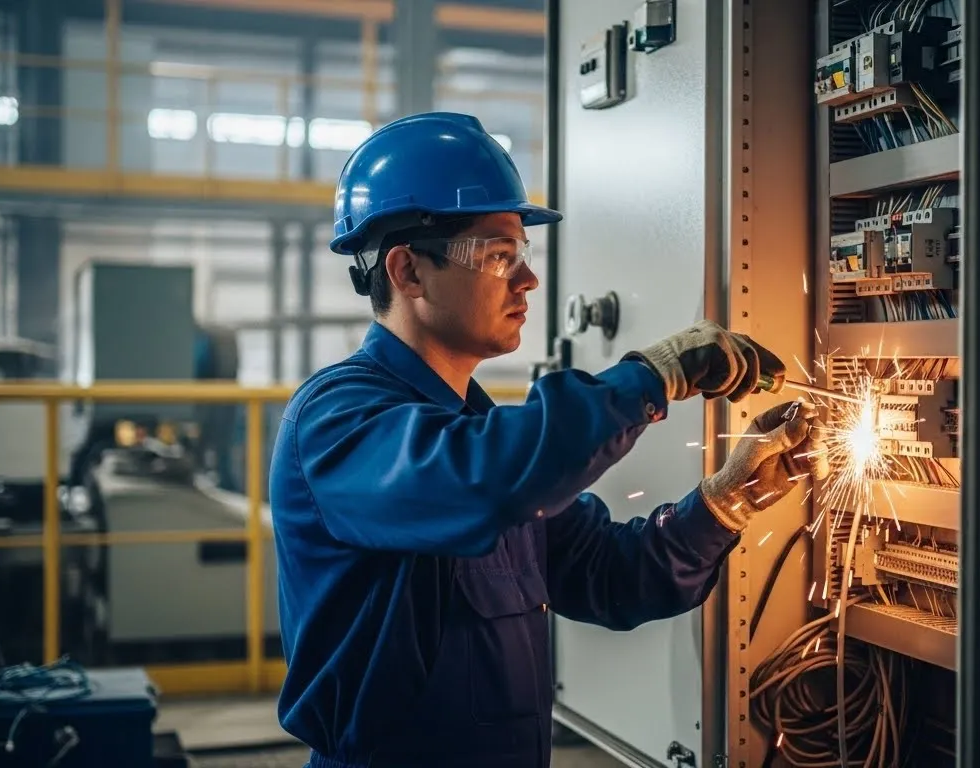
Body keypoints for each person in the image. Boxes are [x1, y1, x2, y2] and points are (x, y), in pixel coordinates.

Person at [269, 112, 829, 768]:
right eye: (497, 256)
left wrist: (727, 499)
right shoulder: (338, 424)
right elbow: (481, 482)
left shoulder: (479, 439)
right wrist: (651, 377)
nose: (527, 281)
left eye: (522, 256)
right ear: (409, 272)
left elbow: (612, 574)